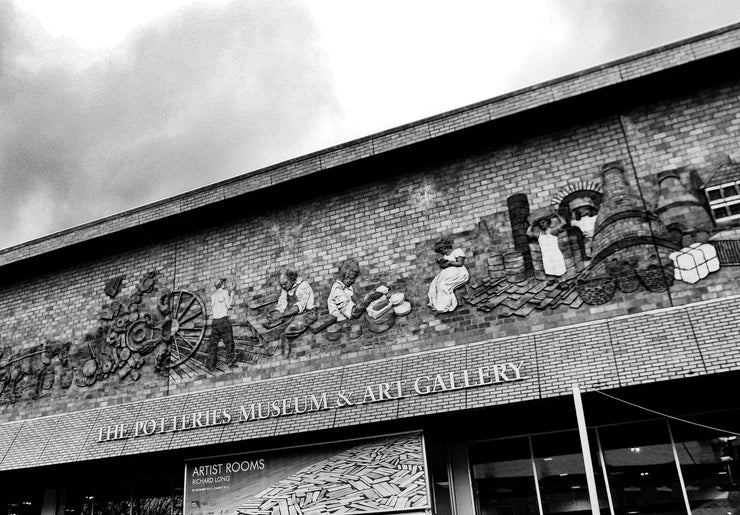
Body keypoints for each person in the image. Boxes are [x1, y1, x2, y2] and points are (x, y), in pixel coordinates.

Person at [271, 269, 317, 358]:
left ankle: (285, 359)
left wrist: (282, 315)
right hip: (293, 315)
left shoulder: (303, 286)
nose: (283, 286)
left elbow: (298, 307)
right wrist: (277, 312)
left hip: (307, 314)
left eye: (285, 283)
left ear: (292, 279)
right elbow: (282, 303)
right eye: (281, 285)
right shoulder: (286, 289)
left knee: (285, 334)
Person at [427, 238, 469, 313]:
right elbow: (444, 266)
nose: (441, 252)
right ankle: (437, 304)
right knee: (435, 285)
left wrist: (448, 262)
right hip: (448, 273)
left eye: (441, 250)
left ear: (444, 247)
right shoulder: (445, 256)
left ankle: (446, 305)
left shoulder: (457, 251)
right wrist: (441, 261)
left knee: (443, 285)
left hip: (458, 273)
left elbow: (460, 263)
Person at [206, 278, 236, 370]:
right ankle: (230, 360)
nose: (225, 284)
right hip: (223, 320)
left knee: (213, 345)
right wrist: (233, 292)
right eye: (224, 283)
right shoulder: (225, 292)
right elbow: (229, 305)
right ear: (222, 284)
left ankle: (210, 365)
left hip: (215, 322)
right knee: (229, 341)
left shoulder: (213, 296)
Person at [527, 213, 567, 280]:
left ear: (548, 223)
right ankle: (552, 280)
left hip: (555, 254)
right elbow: (528, 233)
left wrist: (557, 215)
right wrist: (532, 225)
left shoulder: (552, 231)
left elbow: (563, 223)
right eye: (540, 223)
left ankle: (563, 281)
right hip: (546, 256)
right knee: (549, 269)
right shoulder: (539, 235)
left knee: (559, 269)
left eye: (543, 222)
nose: (541, 224)